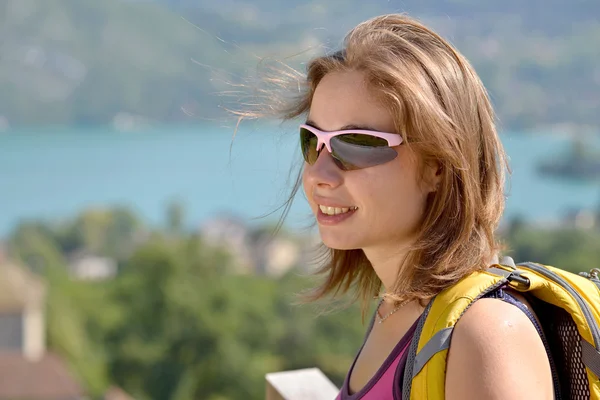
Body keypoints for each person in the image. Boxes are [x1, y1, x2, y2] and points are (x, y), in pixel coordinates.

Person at [246, 13, 556, 400]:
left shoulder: (484, 332)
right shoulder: (397, 308)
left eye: (356, 144)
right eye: (313, 141)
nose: (317, 174)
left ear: (438, 166)